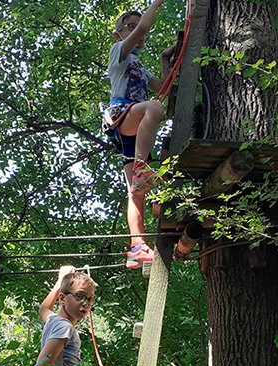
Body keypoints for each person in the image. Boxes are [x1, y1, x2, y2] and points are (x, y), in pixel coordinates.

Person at [104, 0, 176, 269]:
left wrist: (164, 59)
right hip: (122, 113)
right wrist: (156, 4)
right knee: (153, 108)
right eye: (131, 28)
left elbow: (165, 91)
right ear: (119, 34)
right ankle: (142, 168)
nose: (138, 32)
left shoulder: (141, 69)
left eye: (139, 30)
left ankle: (136, 246)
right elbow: (145, 23)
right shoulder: (118, 53)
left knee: (136, 193)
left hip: (135, 130)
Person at [35, 266, 110, 366]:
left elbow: (43, 309)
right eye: (79, 296)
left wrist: (59, 282)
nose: (85, 303)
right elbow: (43, 365)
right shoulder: (65, 327)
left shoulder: (53, 320)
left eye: (89, 299)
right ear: (62, 299)